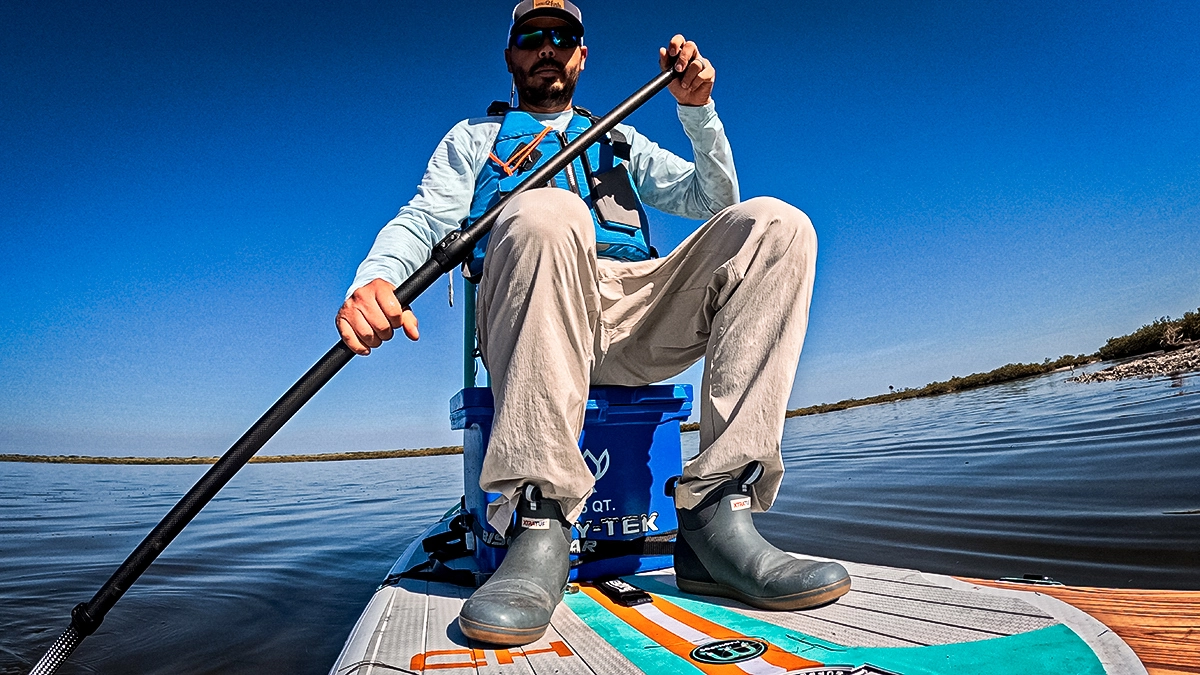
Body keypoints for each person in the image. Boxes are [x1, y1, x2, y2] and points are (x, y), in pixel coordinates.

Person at [337, 0, 850, 647]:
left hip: (634, 311)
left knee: (778, 225)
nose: (547, 45)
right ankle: (539, 518)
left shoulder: (615, 137)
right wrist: (375, 279)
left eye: (563, 36)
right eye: (532, 35)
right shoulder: (471, 141)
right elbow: (422, 219)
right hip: (537, 322)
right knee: (547, 214)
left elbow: (718, 204)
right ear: (511, 55)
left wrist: (698, 112)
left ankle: (715, 514)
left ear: (581, 54)